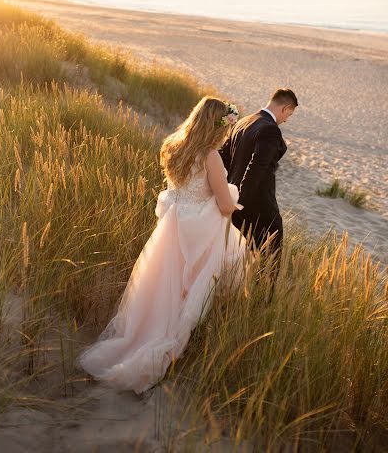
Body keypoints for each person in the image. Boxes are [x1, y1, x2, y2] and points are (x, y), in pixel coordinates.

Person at [78, 96, 247, 394]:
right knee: (193, 285)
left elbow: (176, 190)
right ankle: (173, 344)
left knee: (161, 288)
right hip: (199, 232)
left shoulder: (173, 145)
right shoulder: (210, 157)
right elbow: (222, 205)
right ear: (217, 127)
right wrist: (233, 196)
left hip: (171, 228)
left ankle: (142, 334)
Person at [219, 88, 298, 283]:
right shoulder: (270, 130)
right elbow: (256, 168)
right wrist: (242, 204)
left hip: (234, 201)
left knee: (239, 257)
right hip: (258, 208)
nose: (287, 119)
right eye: (289, 114)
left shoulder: (242, 122)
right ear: (285, 107)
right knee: (270, 258)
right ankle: (262, 299)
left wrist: (230, 198)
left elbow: (224, 160)